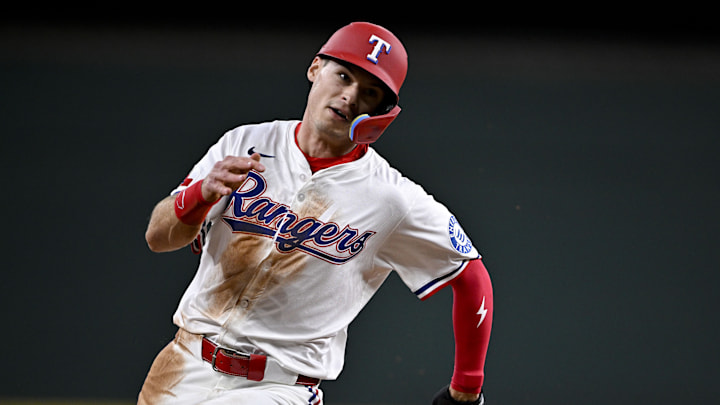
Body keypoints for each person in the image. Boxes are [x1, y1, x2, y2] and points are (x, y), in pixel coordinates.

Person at [139, 21, 493, 405]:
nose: (350, 97)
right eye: (343, 76)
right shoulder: (244, 141)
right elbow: (158, 238)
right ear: (314, 69)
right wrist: (199, 195)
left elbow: (472, 277)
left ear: (382, 112)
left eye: (370, 92)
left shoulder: (392, 198)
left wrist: (467, 388)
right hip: (182, 365)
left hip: (279, 388)